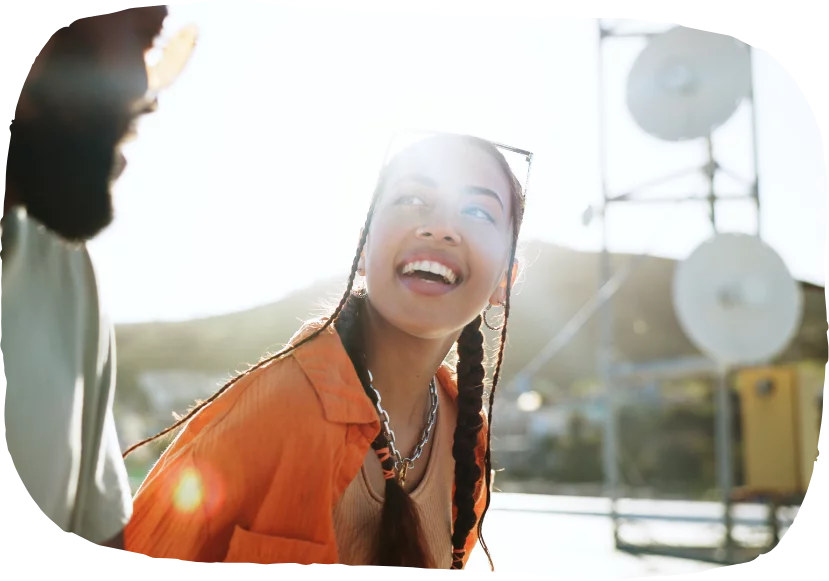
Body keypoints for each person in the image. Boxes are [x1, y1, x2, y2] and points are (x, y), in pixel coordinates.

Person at [121, 132, 527, 570]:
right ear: (364, 247)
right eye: (411, 199)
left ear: (505, 279)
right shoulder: (273, 408)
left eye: (477, 211)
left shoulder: (463, 440)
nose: (440, 227)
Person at [0, 7, 196, 550]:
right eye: (134, 33)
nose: (139, 81)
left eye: (149, 41)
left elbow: (101, 534)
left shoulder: (64, 268)